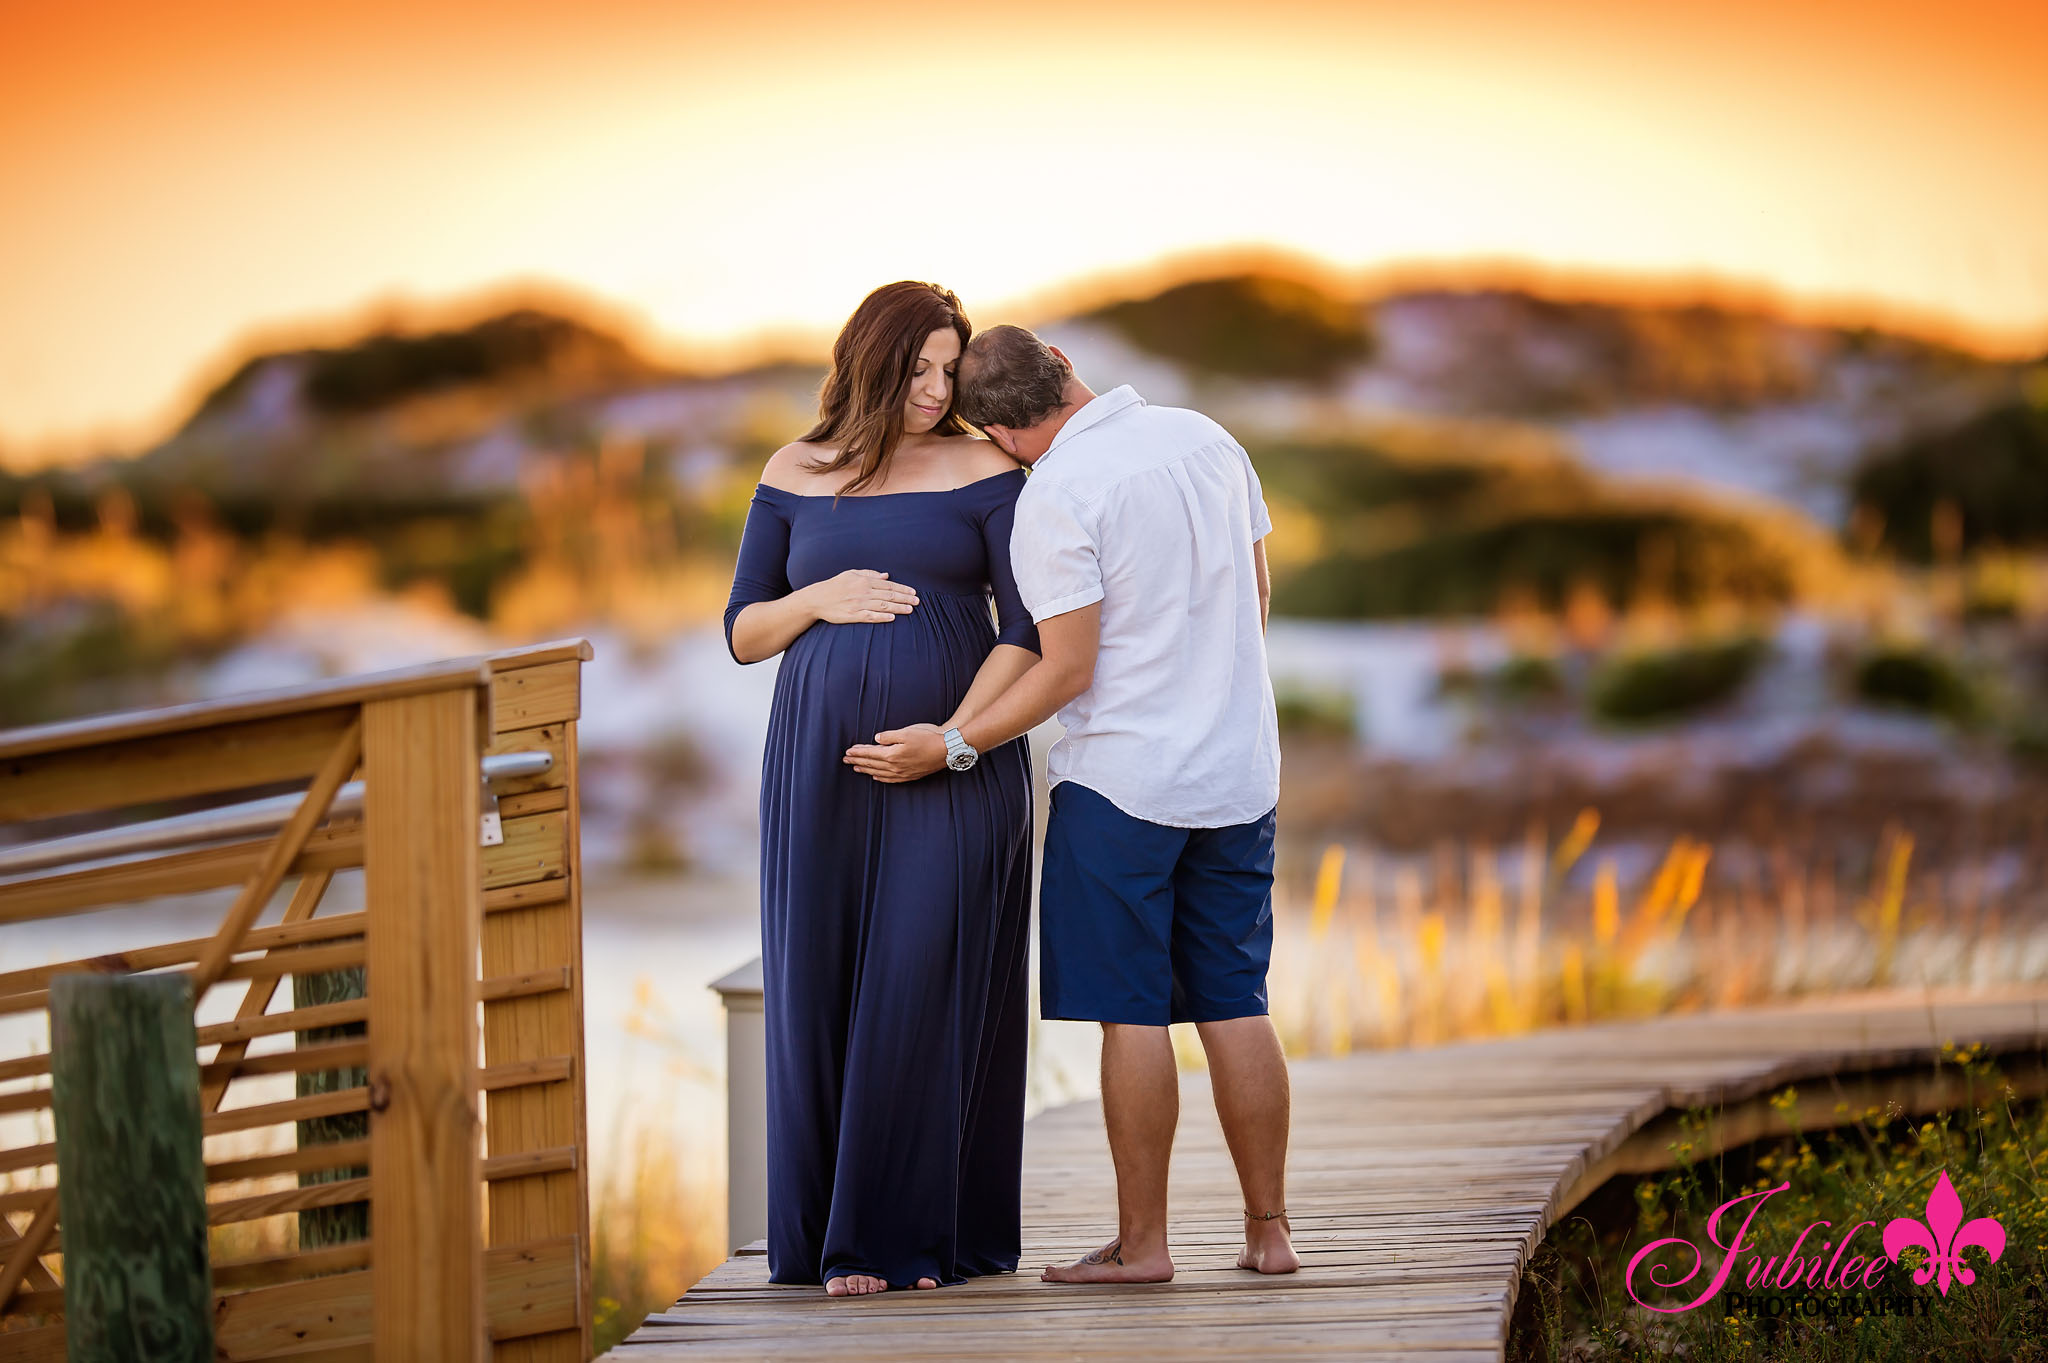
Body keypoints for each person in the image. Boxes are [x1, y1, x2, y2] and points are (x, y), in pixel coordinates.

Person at [844, 324, 1299, 1284]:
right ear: (1062, 361)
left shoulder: (1055, 494)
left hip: (1123, 787)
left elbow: (1067, 668)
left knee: (1130, 1014)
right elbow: (1255, 600)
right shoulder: (1206, 437)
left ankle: (1145, 1249)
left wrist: (956, 742)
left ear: (1001, 435)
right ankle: (1270, 1235)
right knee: (1235, 1002)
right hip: (1238, 773)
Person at [723, 283, 1041, 1297]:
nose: (936, 388)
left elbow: (1028, 630)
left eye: (949, 368)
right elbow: (741, 633)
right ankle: (820, 1234)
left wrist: (949, 739)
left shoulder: (986, 468)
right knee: (820, 979)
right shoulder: (793, 469)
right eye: (919, 367)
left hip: (954, 766)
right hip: (815, 770)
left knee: (920, 978)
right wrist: (816, 596)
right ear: (870, 359)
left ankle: (890, 1240)